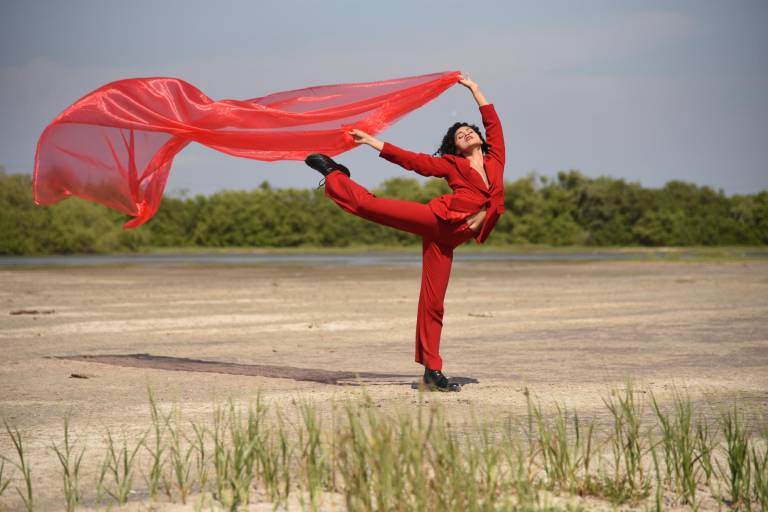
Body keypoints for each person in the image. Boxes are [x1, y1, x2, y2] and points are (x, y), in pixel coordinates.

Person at [304, 74, 505, 392]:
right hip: (437, 220)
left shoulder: (495, 161)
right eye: (458, 134)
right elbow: (415, 162)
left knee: (434, 302)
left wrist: (475, 89)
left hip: (451, 238)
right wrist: (373, 143)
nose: (464, 133)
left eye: (469, 131)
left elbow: (493, 122)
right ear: (454, 147)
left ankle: (431, 371)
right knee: (372, 207)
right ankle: (335, 176)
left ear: (480, 138)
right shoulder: (451, 165)